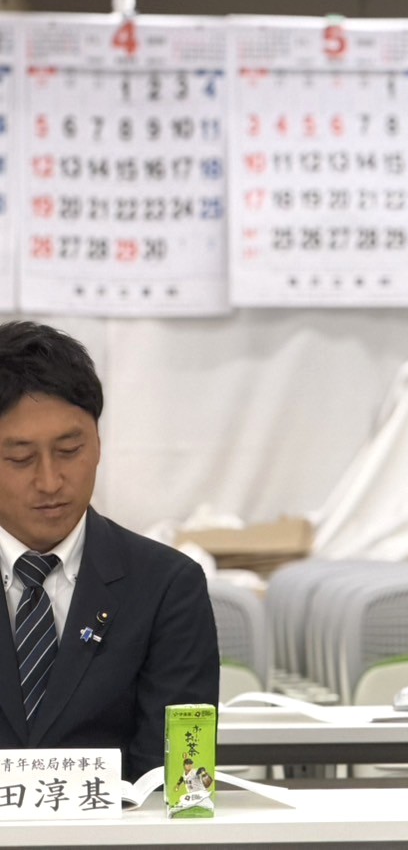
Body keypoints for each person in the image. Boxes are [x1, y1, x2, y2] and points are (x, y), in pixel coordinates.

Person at [0, 321, 218, 780]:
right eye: (20, 458)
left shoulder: (166, 586)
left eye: (69, 450)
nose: (50, 481)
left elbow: (179, 776)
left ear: (98, 444)